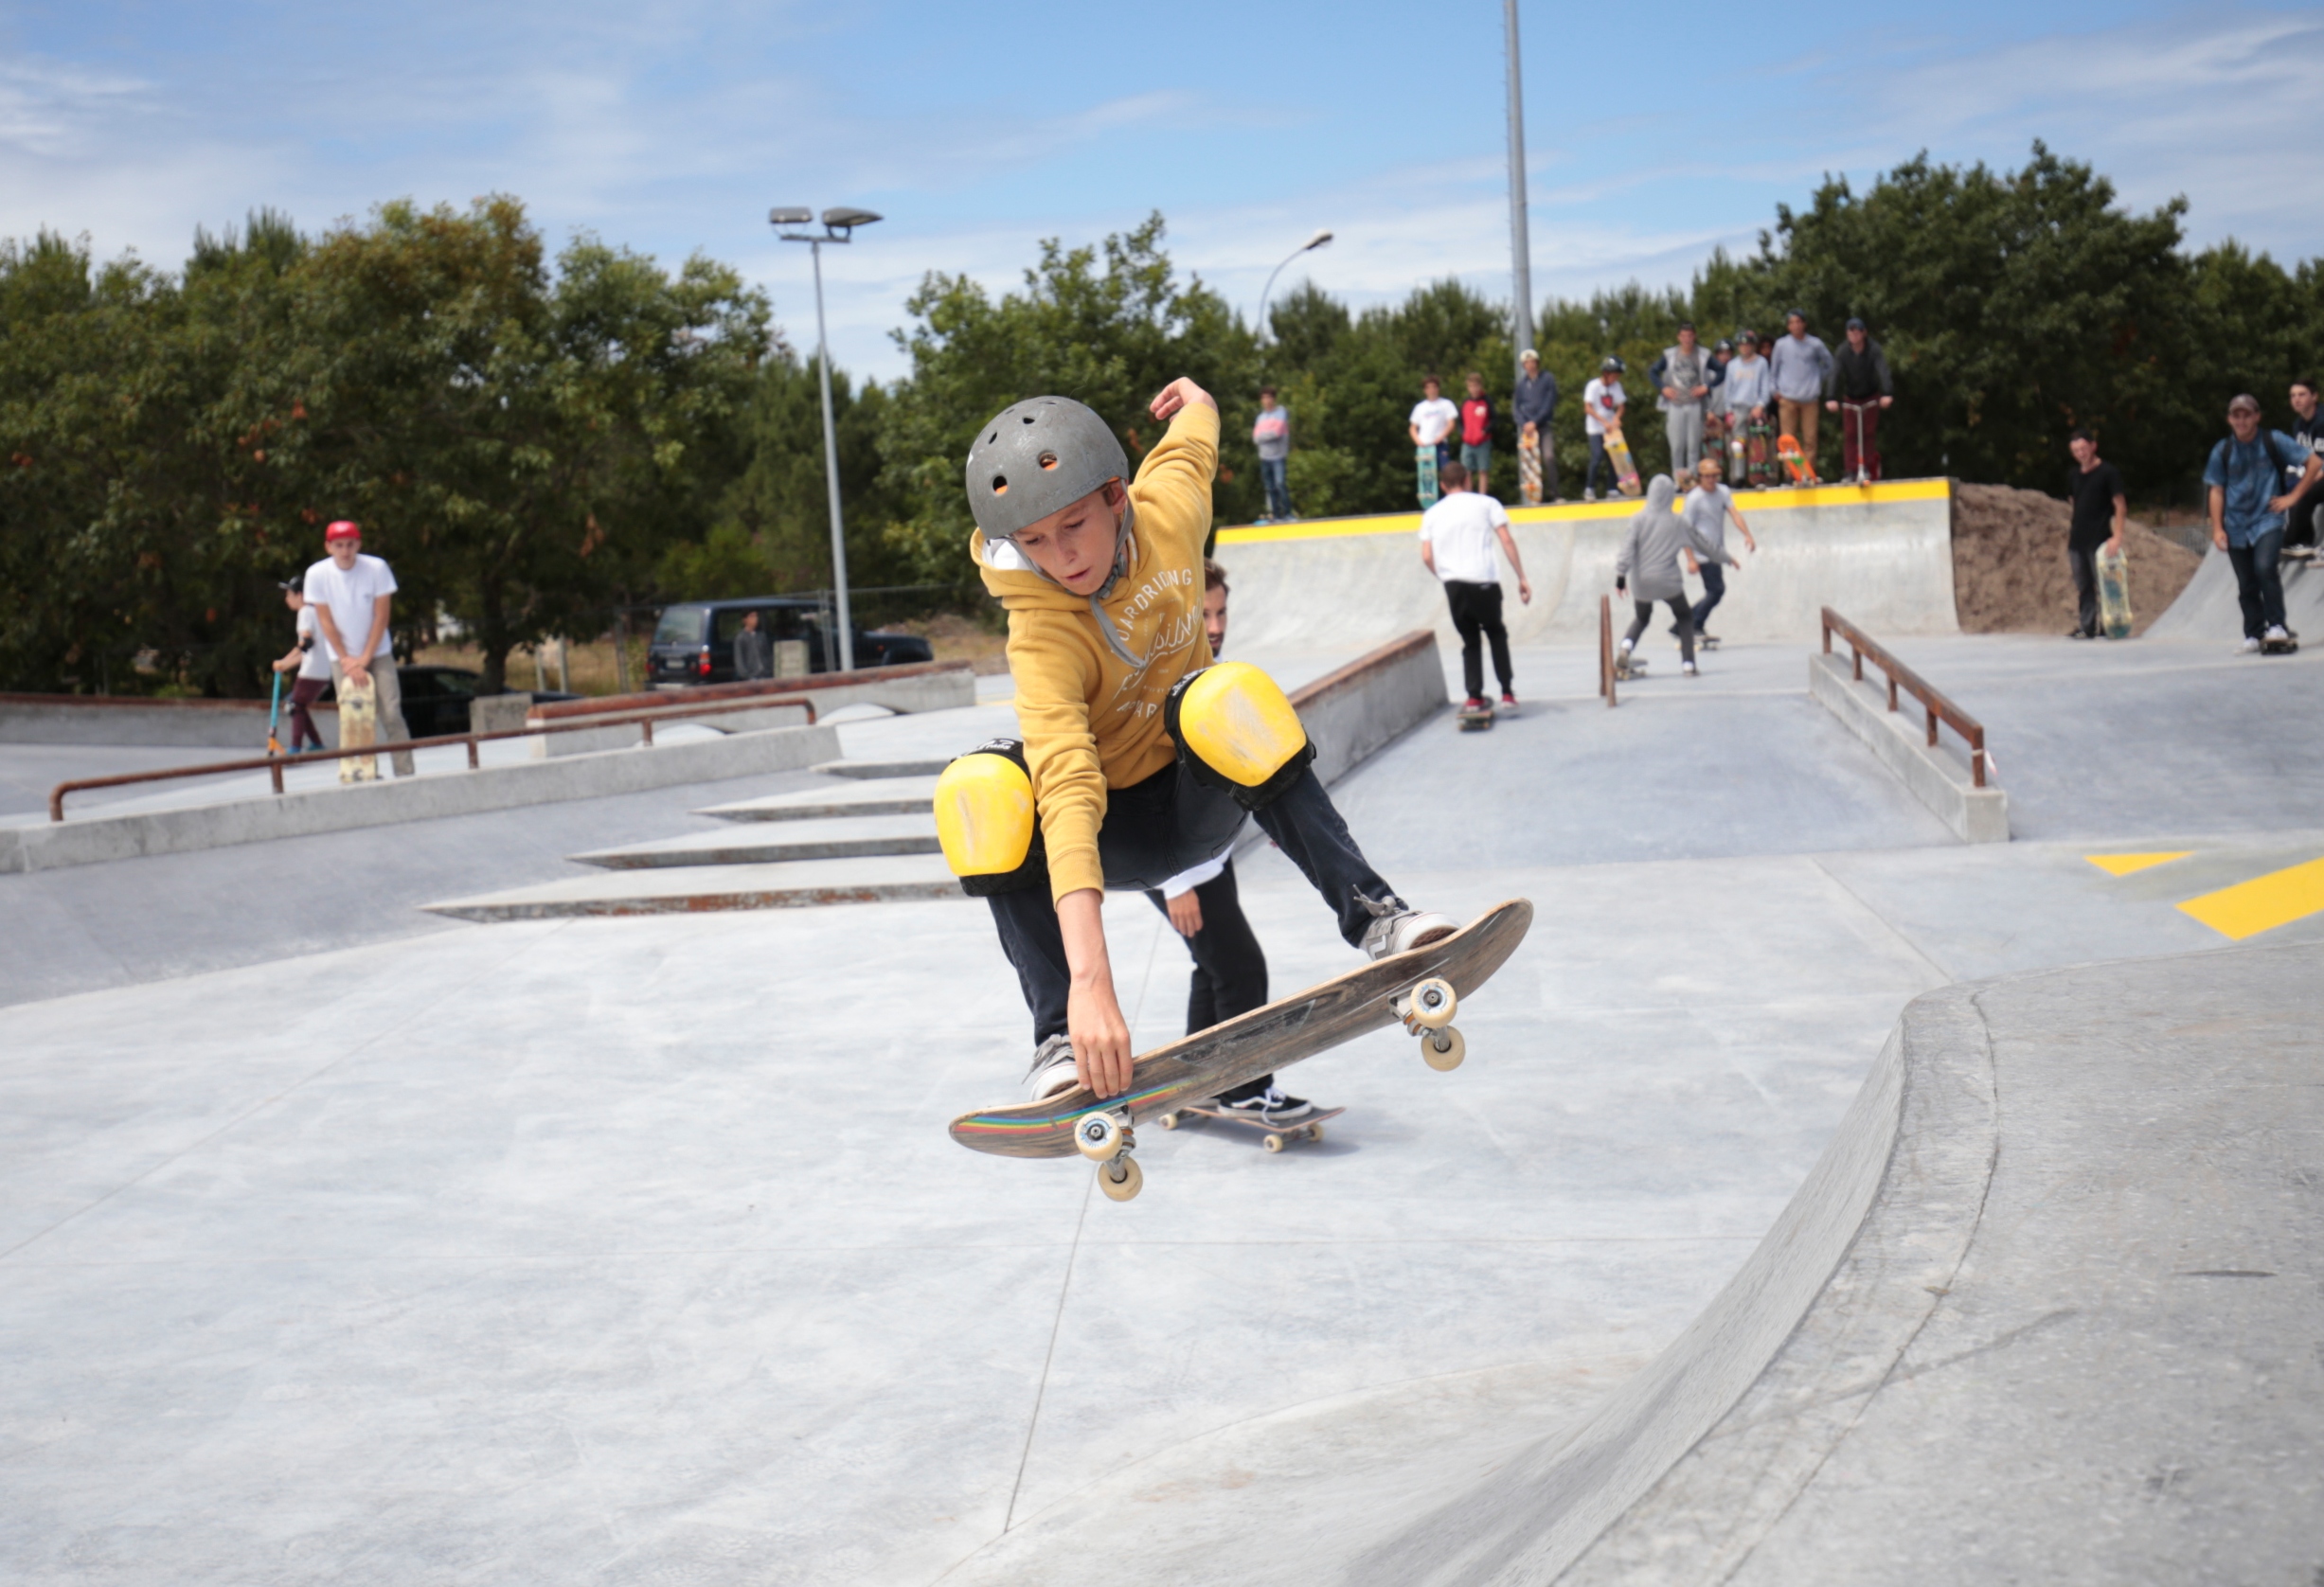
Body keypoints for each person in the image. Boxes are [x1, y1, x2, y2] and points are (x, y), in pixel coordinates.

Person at [942, 380, 1457, 1103]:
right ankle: (1058, 1035)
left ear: (1116, 496)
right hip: (1114, 828)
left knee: (1217, 692)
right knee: (980, 785)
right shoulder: (1040, 632)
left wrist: (1198, 400)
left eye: (1073, 526)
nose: (1061, 558)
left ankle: (1377, 917)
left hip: (1196, 799)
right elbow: (1065, 785)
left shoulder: (1172, 509)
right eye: (1034, 543)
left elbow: (1194, 434)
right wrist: (1093, 985)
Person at [1141, 559, 1314, 1124]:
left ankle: (1193, 1081)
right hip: (1177, 861)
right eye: (1203, 614)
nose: (1215, 625)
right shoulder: (1159, 676)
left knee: (1212, 965)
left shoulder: (1205, 669)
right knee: (1241, 968)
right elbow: (1141, 789)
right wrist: (1176, 883)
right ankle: (1241, 1086)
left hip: (1207, 851)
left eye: (1220, 612)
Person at [2204, 394, 2322, 653]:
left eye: (2247, 415)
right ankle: (2254, 633)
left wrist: (2293, 496)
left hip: (2268, 518)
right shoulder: (2222, 450)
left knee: (2265, 567)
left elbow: (2314, 463)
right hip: (2235, 524)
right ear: (2229, 419)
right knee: (2246, 582)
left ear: (2257, 416)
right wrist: (2217, 528)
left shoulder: (2273, 441)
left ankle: (2277, 625)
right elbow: (2216, 490)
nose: (2242, 420)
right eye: (2237, 415)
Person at [1420, 459, 1534, 712]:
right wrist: (1522, 577)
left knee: (1470, 640)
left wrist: (1445, 576)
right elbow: (1506, 540)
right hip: (1484, 581)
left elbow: (1427, 555)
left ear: (1442, 485)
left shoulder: (1432, 513)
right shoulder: (1487, 504)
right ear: (1468, 480)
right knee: (1495, 633)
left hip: (1454, 584)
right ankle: (1506, 693)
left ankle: (1473, 696)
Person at [302, 520, 414, 776]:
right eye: (339, 545)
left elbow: (381, 616)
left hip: (378, 651)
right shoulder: (317, 574)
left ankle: (405, 772)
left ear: (358, 545)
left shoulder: (376, 568)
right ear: (328, 547)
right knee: (355, 716)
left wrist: (364, 658)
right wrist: (346, 659)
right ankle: (363, 771)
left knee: (391, 713)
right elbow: (325, 622)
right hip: (342, 657)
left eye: (350, 545)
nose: (345, 551)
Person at [1614, 474, 1735, 679]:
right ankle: (1688, 665)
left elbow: (1627, 549)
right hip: (1668, 582)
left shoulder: (1637, 519)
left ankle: (1625, 649)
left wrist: (1620, 576)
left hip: (1641, 582)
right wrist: (1726, 558)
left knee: (1642, 617)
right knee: (1685, 617)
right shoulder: (1678, 522)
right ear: (1671, 496)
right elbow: (1705, 544)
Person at [1681, 456, 1757, 645]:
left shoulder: (1722, 491)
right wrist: (1690, 559)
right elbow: (1684, 530)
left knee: (1714, 591)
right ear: (1700, 478)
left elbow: (1735, 514)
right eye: (1707, 477)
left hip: (1716, 550)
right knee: (1716, 590)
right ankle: (1694, 626)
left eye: (1714, 476)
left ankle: (1682, 626)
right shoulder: (1694, 499)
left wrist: (1747, 534)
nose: (1711, 480)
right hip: (1701, 551)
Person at [2065, 430, 2126, 640]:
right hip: (2077, 539)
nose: (2080, 453)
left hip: (2100, 538)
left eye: (2083, 448)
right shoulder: (2073, 474)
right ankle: (2087, 626)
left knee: (2105, 586)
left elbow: (2120, 505)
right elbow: (2073, 500)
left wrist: (2117, 536)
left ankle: (2110, 624)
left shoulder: (2108, 472)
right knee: (2083, 585)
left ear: (2093, 446)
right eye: (2075, 450)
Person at [1825, 317, 1893, 484]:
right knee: (1850, 435)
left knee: (1868, 434)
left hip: (1870, 396)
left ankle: (1868, 469)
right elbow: (1835, 373)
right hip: (1851, 398)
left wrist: (1887, 393)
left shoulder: (1873, 349)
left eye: (1857, 331)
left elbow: (1882, 370)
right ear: (1847, 334)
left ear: (1864, 333)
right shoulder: (1842, 351)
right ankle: (1850, 470)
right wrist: (1830, 397)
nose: (1854, 335)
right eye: (1851, 332)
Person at [268, 580, 332, 754]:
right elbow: (305, 645)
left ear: (300, 596)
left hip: (312, 670)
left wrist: (286, 664)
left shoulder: (305, 612)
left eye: (289, 595)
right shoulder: (314, 612)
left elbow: (307, 644)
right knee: (299, 705)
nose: (287, 600)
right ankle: (316, 743)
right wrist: (285, 661)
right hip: (321, 670)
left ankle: (295, 747)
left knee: (294, 705)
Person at [1769, 310, 1832, 468]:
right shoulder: (1781, 344)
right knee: (1788, 439)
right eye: (1792, 322)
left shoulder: (1815, 344)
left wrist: (1818, 379)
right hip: (1787, 398)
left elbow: (1830, 364)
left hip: (1809, 398)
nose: (1796, 325)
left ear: (1804, 324)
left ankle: (1807, 472)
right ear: (1788, 326)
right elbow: (1773, 370)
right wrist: (1774, 390)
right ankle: (1791, 473)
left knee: (1810, 439)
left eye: (1799, 322)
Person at [1650, 323, 1713, 475]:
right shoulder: (1670, 354)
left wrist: (1706, 386)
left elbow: (1722, 371)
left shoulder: (1703, 354)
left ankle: (1692, 479)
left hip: (1695, 403)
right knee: (1677, 446)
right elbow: (1653, 371)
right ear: (1678, 337)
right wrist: (1663, 387)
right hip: (1675, 403)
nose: (1687, 339)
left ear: (1695, 336)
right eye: (1684, 336)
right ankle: (1678, 481)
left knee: (1693, 446)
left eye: (1690, 335)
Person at [1723, 331, 1777, 488]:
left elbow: (1765, 387)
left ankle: (1758, 478)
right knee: (1738, 444)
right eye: (1741, 344)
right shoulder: (1733, 365)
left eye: (1747, 344)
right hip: (1737, 408)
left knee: (1758, 443)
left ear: (1753, 345)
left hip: (1755, 408)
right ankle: (1738, 478)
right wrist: (1728, 411)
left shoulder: (1761, 363)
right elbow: (1728, 390)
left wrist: (1760, 405)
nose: (1744, 347)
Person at [1513, 348, 1560, 502]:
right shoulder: (1521, 385)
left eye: (1532, 361)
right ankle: (1534, 498)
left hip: (1543, 426)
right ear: (1523, 365)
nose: (1530, 365)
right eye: (1527, 363)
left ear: (1537, 363)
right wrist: (1524, 423)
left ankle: (1555, 494)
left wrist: (1536, 421)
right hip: (1528, 430)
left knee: (1549, 456)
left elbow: (1549, 402)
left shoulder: (1547, 379)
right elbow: (1516, 407)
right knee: (1530, 464)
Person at [2283, 377, 2323, 559]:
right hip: (2313, 474)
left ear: (2314, 397)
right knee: (2290, 487)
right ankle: (2302, 541)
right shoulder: (2298, 426)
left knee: (2303, 491)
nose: (2296, 399)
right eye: (2293, 396)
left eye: (2302, 395)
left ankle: (2292, 540)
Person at [1582, 356, 1628, 501]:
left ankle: (1612, 489)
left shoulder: (1617, 387)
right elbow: (1588, 408)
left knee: (1614, 457)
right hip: (1595, 428)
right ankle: (1589, 489)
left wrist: (1616, 418)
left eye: (1618, 376)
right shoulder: (1593, 386)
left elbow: (1621, 407)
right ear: (1606, 373)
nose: (1616, 379)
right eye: (1614, 375)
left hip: (1610, 429)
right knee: (1597, 456)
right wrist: (1604, 422)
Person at [1253, 387, 1294, 523]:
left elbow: (1277, 432)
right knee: (1270, 487)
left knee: (1280, 483)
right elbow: (1256, 437)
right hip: (1265, 457)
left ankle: (1287, 514)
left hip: (1278, 456)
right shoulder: (1261, 418)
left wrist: (1265, 435)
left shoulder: (1281, 413)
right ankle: (1276, 516)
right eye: (1264, 398)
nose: (1266, 400)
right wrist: (1267, 434)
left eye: (1269, 397)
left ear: (1273, 399)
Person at [1408, 377, 1458, 473]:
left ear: (1438, 388)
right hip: (1424, 447)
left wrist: (1440, 437)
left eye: (1434, 387)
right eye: (1428, 387)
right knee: (1426, 476)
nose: (1431, 390)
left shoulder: (1446, 404)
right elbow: (1412, 428)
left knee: (1446, 472)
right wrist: (1418, 441)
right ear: (1425, 390)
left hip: (1440, 444)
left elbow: (1451, 424)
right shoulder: (1420, 407)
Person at [1458, 372, 1496, 497]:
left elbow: (1494, 419)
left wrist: (1485, 431)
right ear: (1467, 387)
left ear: (1480, 386)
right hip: (1468, 442)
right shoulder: (1465, 402)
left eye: (1476, 386)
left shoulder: (1486, 401)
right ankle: (1469, 496)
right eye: (1471, 386)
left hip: (1483, 441)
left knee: (1483, 470)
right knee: (1466, 471)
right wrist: (1462, 433)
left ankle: (1482, 496)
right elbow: (1460, 421)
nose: (1473, 389)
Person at [733, 608, 773, 680]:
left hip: (766, 675)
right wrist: (746, 676)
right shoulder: (740, 638)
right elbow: (739, 660)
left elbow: (768, 655)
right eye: (752, 616)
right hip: (751, 677)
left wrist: (770, 669)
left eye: (756, 616)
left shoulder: (761, 635)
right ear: (745, 620)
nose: (755, 618)